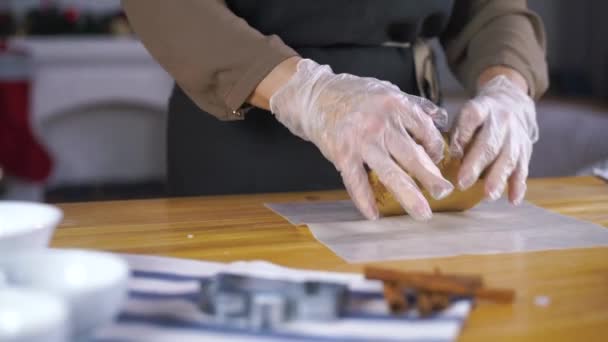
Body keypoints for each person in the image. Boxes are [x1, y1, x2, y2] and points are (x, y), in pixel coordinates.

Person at [122, 0, 548, 221]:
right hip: (245, 134)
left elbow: (493, 10)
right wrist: (310, 93)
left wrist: (508, 87)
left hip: (408, 147)